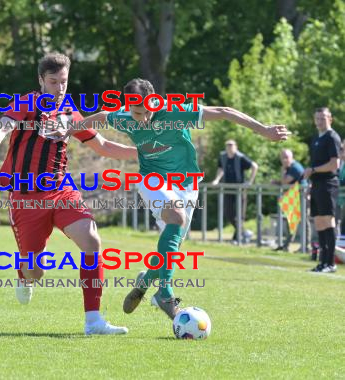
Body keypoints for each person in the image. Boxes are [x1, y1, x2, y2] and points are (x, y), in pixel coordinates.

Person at [66, 78, 289, 320]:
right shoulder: (126, 117)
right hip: (152, 180)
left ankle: (146, 280)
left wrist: (263, 130)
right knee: (176, 217)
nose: (140, 118)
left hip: (187, 185)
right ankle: (165, 293)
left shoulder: (175, 111)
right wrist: (69, 129)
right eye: (135, 112)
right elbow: (100, 116)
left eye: (144, 111)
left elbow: (224, 112)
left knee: (173, 246)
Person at [0, 52, 136, 335]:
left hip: (61, 190)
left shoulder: (70, 112)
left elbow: (102, 146)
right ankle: (25, 276)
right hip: (26, 197)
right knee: (35, 271)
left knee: (92, 240)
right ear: (41, 81)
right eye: (53, 82)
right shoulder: (27, 102)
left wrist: (142, 154)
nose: (59, 88)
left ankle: (93, 321)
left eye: (63, 81)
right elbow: (4, 125)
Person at [303, 107, 341, 273]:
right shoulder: (315, 139)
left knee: (327, 220)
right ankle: (322, 262)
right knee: (318, 221)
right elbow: (314, 166)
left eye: (323, 118)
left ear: (330, 119)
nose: (319, 121)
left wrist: (314, 171)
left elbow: (334, 164)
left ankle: (330, 263)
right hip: (317, 185)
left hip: (328, 184)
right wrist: (310, 184)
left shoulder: (332, 137)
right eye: (317, 118)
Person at [211, 140, 258, 244]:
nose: (229, 147)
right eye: (227, 145)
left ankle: (237, 238)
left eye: (231, 145)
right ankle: (245, 233)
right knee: (229, 214)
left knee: (239, 215)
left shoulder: (241, 157)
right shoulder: (223, 157)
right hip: (228, 189)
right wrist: (217, 180)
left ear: (236, 147)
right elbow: (220, 169)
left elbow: (254, 166)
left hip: (240, 191)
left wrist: (250, 182)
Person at [273, 149, 308, 251]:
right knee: (291, 221)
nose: (284, 160)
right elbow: (285, 182)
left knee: (304, 221)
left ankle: (305, 246)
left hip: (302, 196)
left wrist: (282, 170)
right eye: (282, 158)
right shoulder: (290, 167)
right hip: (294, 197)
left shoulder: (294, 167)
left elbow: (285, 181)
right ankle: (286, 245)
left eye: (286, 157)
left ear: (291, 157)